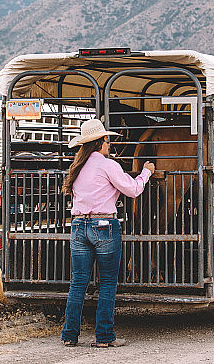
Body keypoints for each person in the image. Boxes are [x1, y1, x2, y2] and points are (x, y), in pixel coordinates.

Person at [60, 118, 155, 348]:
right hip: (104, 226)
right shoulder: (108, 165)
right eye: (107, 140)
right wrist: (146, 172)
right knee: (108, 282)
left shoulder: (77, 167)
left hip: (78, 226)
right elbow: (133, 190)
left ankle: (69, 335)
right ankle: (104, 336)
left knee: (78, 282)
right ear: (100, 142)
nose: (109, 144)